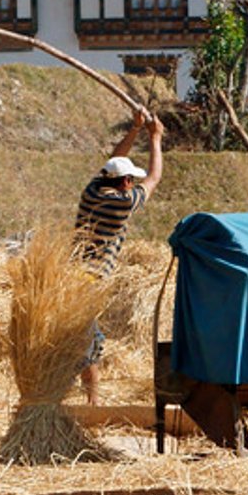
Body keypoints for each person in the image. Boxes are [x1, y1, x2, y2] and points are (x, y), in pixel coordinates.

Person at [74, 109, 164, 404]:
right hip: (90, 279)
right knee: (90, 343)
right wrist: (155, 138)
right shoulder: (122, 203)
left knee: (84, 339)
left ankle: (90, 400)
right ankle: (93, 404)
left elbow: (111, 160)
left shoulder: (91, 191)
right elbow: (154, 178)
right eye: (130, 179)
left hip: (71, 274)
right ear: (125, 182)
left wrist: (135, 129)